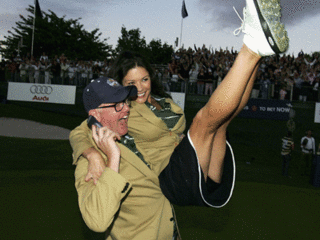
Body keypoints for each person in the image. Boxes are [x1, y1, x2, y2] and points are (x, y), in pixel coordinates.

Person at [70, 0, 288, 207]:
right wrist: (91, 155)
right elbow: (80, 131)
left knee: (222, 122)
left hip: (203, 169)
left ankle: (259, 54)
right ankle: (251, 45)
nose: (140, 87)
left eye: (144, 79)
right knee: (203, 121)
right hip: (171, 179)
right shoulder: (123, 110)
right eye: (131, 83)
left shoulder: (165, 103)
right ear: (122, 84)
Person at [74, 79, 181, 239]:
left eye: (125, 102)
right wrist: (112, 158)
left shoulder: (129, 131)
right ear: (96, 114)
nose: (126, 109)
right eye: (117, 104)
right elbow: (97, 221)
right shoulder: (91, 164)